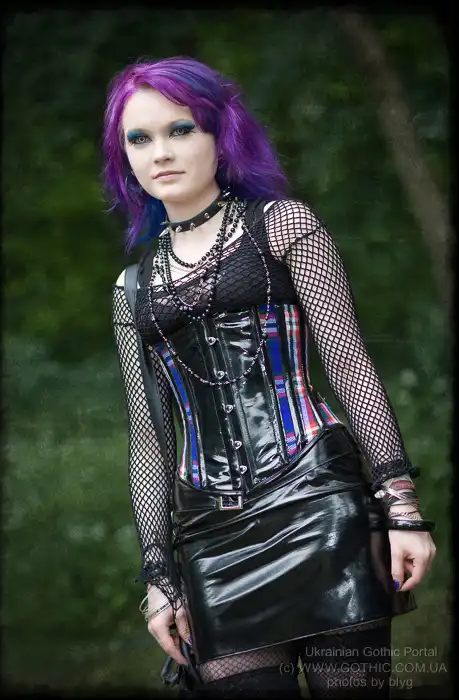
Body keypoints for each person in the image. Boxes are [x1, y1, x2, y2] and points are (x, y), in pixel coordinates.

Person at [105, 56, 436, 698]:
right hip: (212, 537)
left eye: (180, 129)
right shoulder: (132, 288)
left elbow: (348, 363)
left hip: (320, 506)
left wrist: (401, 506)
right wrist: (159, 578)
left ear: (220, 134)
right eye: (139, 139)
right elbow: (148, 440)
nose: (160, 152)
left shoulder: (283, 226)